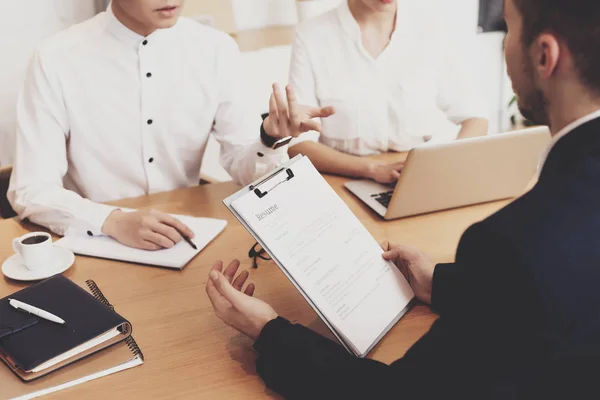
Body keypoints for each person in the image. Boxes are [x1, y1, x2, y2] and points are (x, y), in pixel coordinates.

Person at [206, 0, 600, 398]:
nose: (503, 48)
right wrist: (441, 284)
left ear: (545, 55)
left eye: (509, 29)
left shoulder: (509, 244)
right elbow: (535, 299)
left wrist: (268, 331)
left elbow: (397, 392)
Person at [7, 0, 333, 250]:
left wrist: (270, 139)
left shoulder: (215, 49)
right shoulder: (55, 58)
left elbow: (245, 170)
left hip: (186, 238)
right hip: (95, 241)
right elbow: (31, 189)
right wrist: (111, 221)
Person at [287, 0, 489, 184]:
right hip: (341, 180)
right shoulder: (312, 36)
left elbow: (476, 118)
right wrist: (372, 169)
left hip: (415, 178)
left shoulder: (430, 28)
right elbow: (299, 145)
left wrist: (447, 164)